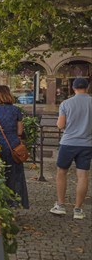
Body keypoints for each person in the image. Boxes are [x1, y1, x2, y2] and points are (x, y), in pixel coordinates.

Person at [50, 78, 92, 220]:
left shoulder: (66, 103)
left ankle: (61, 205)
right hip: (87, 144)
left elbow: (60, 125)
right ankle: (78, 209)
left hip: (68, 143)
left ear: (73, 88)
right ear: (87, 87)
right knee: (83, 176)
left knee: (61, 172)